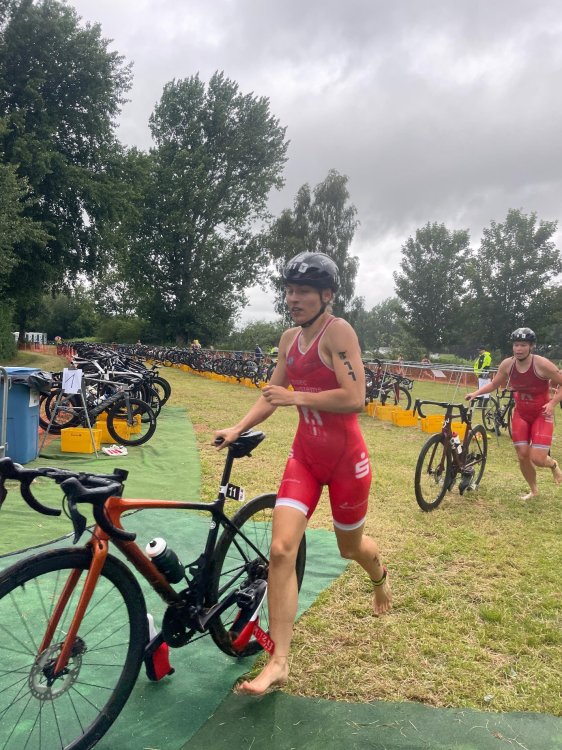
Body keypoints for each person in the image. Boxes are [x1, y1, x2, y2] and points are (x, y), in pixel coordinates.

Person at [214, 251, 392, 696]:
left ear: (326, 295)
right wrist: (237, 428)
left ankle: (379, 577)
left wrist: (298, 397)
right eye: (290, 290)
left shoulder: (339, 332)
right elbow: (273, 393)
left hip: (347, 462)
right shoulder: (288, 338)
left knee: (350, 548)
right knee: (280, 551)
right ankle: (279, 661)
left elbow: (355, 398)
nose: (293, 298)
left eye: (304, 291)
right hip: (305, 458)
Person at [466, 327, 562, 500]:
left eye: (523, 345)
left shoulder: (541, 364)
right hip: (521, 414)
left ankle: (553, 465)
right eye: (516, 345)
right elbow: (494, 384)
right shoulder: (507, 364)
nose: (518, 349)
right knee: (522, 455)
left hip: (541, 414)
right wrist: (476, 393)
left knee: (538, 458)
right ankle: (533, 490)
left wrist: (552, 403)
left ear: (531, 346)